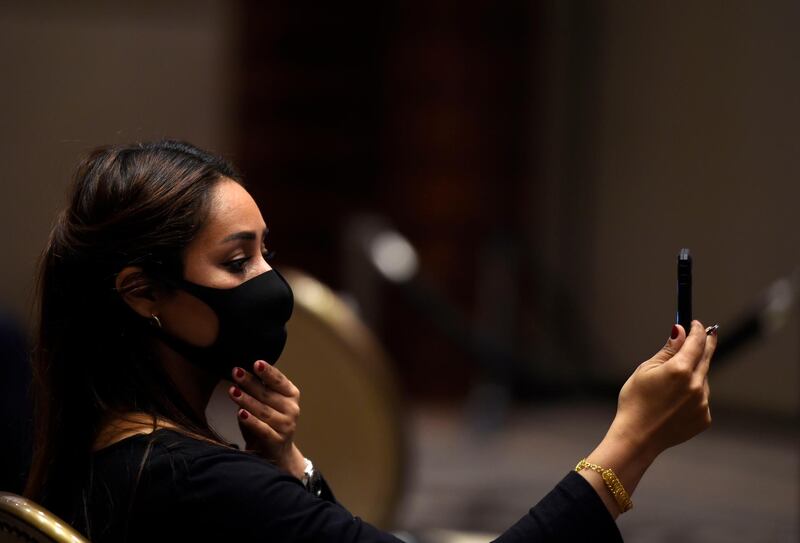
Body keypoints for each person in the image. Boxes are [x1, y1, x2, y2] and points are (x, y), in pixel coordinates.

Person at [25, 140, 717, 542]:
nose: (271, 281)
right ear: (141, 292)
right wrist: (631, 443)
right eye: (236, 262)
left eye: (267, 251)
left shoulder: (102, 445)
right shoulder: (196, 482)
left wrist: (289, 465)